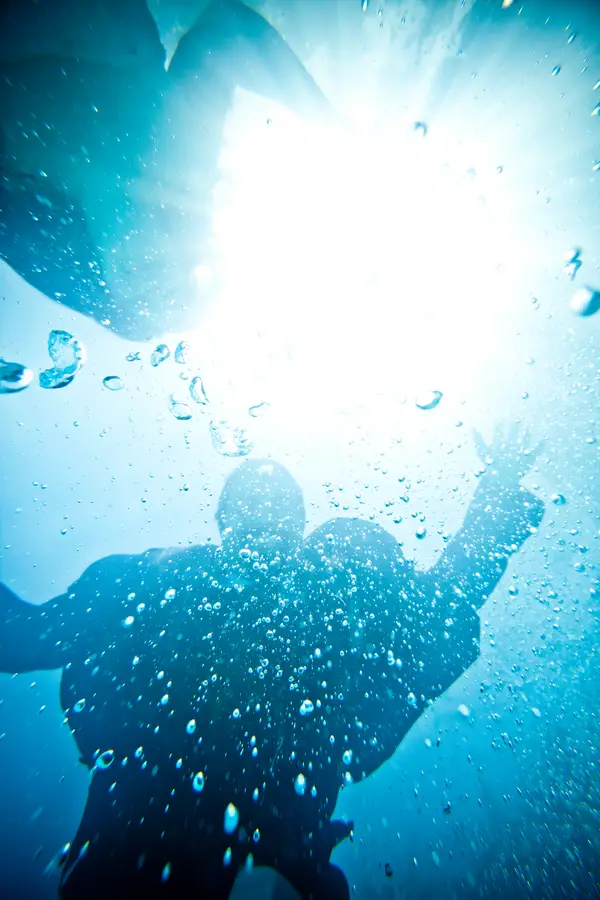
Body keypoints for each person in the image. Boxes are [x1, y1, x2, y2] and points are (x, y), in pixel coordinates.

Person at [0, 427, 544, 899]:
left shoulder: (149, 582)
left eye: (270, 502)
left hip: (139, 844)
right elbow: (444, 608)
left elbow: (23, 638)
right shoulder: (328, 594)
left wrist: (496, 494)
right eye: (257, 501)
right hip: (249, 849)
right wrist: (495, 493)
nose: (262, 512)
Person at [0, 0, 331, 339]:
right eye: (171, 266)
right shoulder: (174, 168)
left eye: (140, 277)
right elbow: (222, 34)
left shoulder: (31, 226)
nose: (153, 249)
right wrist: (330, 122)